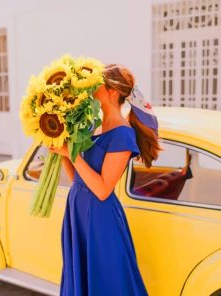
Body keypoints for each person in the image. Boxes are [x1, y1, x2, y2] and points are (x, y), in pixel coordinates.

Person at [49, 64, 161, 296]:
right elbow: (78, 180)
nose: (90, 90)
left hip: (100, 219)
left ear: (111, 91)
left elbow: (102, 190)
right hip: (77, 211)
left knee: (106, 283)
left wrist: (71, 153)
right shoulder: (92, 127)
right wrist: (61, 152)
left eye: (96, 85)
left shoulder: (122, 133)